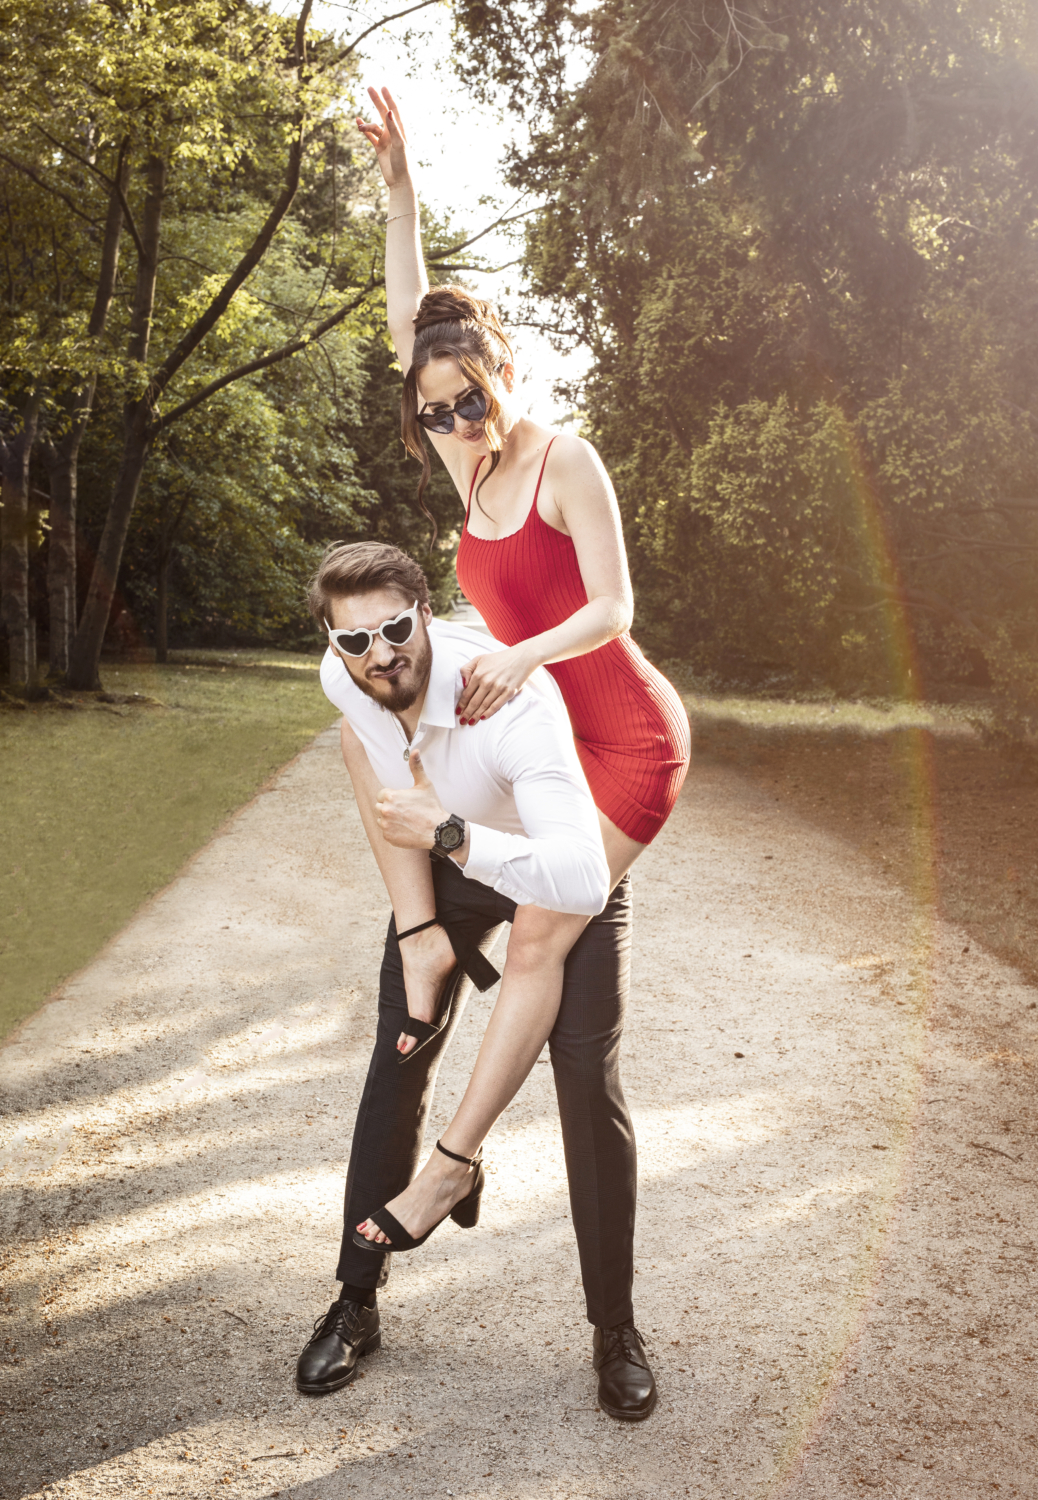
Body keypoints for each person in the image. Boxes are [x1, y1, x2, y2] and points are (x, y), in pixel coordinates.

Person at [339, 87, 690, 1265]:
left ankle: (452, 1164)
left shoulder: (560, 460)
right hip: (552, 745)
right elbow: (412, 325)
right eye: (435, 412)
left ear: (504, 369)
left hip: (628, 742)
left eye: (470, 400)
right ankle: (429, 949)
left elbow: (615, 610)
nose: (455, 422)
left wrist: (520, 656)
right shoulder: (465, 464)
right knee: (378, 749)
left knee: (539, 941)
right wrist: (400, 192)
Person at [296, 542, 657, 1422]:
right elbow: (366, 763)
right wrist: (418, 931)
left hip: (553, 869)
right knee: (399, 1052)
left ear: (426, 615)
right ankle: (356, 1299)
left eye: (394, 628)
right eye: (355, 639)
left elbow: (579, 874)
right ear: (334, 645)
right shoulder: (347, 678)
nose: (380, 653)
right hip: (451, 864)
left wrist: (453, 834)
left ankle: (615, 1329)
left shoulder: (511, 705)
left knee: (586, 1080)